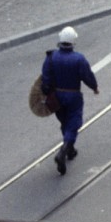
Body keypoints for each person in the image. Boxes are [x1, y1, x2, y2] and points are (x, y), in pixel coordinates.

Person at [41, 27, 100, 175]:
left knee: (64, 123)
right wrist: (94, 87)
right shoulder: (78, 59)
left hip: (57, 96)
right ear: (73, 42)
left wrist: (45, 93)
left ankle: (70, 150)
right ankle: (63, 151)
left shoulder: (51, 57)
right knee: (74, 123)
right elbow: (87, 75)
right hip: (73, 95)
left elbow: (45, 78)